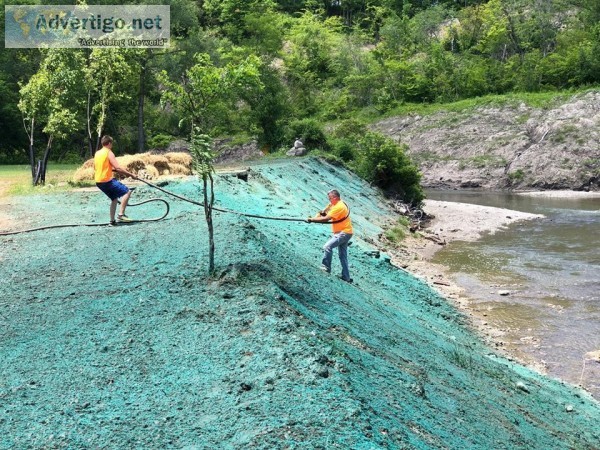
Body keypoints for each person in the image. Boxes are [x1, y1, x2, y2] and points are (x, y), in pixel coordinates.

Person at [307, 189, 353, 283]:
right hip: (347, 232)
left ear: (335, 197)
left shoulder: (339, 207)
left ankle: (326, 267)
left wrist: (312, 220)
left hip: (343, 233)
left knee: (327, 246)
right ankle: (346, 277)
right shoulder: (336, 203)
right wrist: (318, 215)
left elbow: (327, 219)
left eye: (330, 198)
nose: (329, 200)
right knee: (343, 256)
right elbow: (325, 211)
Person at [94, 135, 136, 225]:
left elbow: (97, 167)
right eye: (111, 143)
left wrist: (110, 169)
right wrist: (131, 174)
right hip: (107, 181)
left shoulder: (97, 153)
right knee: (127, 192)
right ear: (109, 143)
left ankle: (112, 221)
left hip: (99, 182)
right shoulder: (109, 153)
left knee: (114, 198)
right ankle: (121, 215)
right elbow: (118, 168)